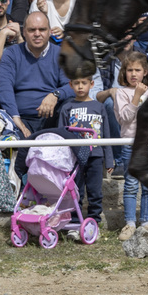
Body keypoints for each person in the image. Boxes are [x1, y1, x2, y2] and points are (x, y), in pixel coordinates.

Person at [96, 50, 148, 239]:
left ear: (145, 72)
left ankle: (146, 222)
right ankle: (130, 223)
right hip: (131, 145)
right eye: (129, 70)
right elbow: (124, 118)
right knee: (131, 184)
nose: (133, 74)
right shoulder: (121, 94)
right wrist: (136, 97)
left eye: (137, 70)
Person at [0, 11, 72, 136]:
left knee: (70, 104)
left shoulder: (61, 54)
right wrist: (15, 118)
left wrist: (55, 95)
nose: (37, 34)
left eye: (42, 29)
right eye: (32, 30)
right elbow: (4, 88)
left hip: (52, 119)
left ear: (49, 31)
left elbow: (72, 85)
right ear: (24, 32)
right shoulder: (11, 53)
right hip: (21, 119)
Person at [55, 74, 115, 226]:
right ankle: (75, 222)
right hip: (75, 158)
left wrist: (109, 159)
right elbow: (61, 136)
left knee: (95, 191)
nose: (80, 86)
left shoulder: (99, 107)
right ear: (70, 84)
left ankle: (94, 221)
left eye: (84, 83)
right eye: (76, 83)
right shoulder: (66, 108)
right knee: (75, 191)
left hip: (95, 156)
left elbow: (107, 135)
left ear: (92, 84)